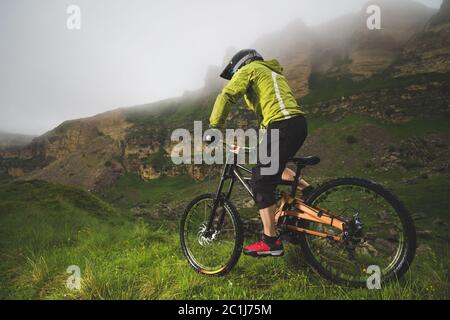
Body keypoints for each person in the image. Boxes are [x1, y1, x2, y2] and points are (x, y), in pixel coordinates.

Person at [209, 49, 314, 258]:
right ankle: (309, 190)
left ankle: (270, 241)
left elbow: (227, 95)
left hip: (282, 124)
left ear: (241, 64)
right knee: (273, 165)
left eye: (234, 73)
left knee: (260, 182)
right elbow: (268, 134)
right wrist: (247, 150)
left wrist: (214, 126)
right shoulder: (272, 74)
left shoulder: (250, 69)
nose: (234, 77)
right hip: (296, 124)